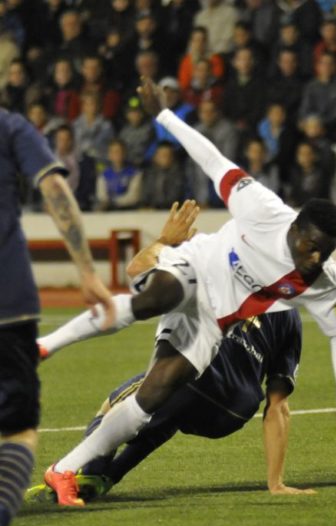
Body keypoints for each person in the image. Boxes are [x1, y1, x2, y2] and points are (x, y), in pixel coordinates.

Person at [42, 77, 336, 506]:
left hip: (211, 330)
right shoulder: (261, 208)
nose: (314, 258)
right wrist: (163, 115)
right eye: (311, 246)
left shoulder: (323, 280)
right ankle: (45, 350)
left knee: (150, 398)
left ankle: (69, 469)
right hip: (195, 273)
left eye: (324, 252)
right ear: (294, 227)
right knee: (157, 307)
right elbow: (211, 157)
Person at [28, 202, 317, 500]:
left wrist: (165, 241)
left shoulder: (215, 261)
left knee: (121, 406)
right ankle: (107, 477)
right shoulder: (290, 314)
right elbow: (278, 406)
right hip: (232, 412)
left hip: (198, 377)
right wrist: (276, 483)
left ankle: (81, 476)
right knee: (167, 416)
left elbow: (137, 269)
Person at [0, 107, 114, 526]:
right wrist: (87, 271)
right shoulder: (10, 126)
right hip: (9, 302)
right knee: (16, 428)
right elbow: (54, 187)